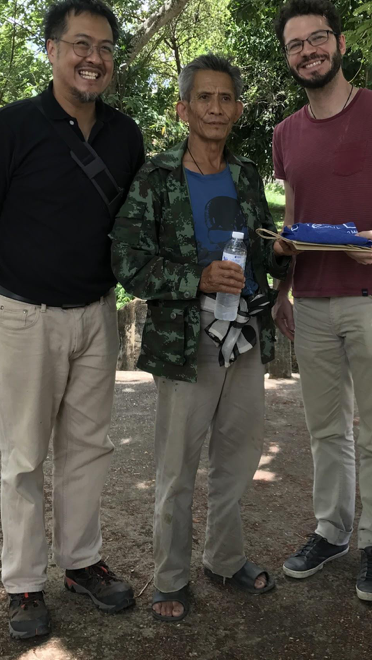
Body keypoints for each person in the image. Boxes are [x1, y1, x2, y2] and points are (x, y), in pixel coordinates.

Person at [0, 0, 144, 639]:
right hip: (24, 313)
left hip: (97, 312)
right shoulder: (8, 129)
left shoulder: (125, 136)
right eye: (81, 45)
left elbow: (129, 226)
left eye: (104, 49)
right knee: (23, 455)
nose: (93, 59)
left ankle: (82, 562)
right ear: (53, 51)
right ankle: (24, 583)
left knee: (89, 449)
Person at [111, 54, 295, 622]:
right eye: (205, 98)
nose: (216, 108)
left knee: (238, 457)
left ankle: (224, 558)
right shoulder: (157, 177)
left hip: (243, 330)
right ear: (183, 107)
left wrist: (281, 249)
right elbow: (126, 259)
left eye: (226, 99)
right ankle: (169, 578)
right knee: (177, 463)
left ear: (237, 109)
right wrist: (194, 279)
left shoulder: (243, 175)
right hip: (185, 339)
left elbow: (259, 246)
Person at [270, 0, 372, 602]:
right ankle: (331, 530)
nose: (308, 51)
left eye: (317, 39)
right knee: (325, 430)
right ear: (287, 56)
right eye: (295, 44)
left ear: (338, 43)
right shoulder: (284, 134)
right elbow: (294, 215)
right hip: (310, 302)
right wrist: (283, 284)